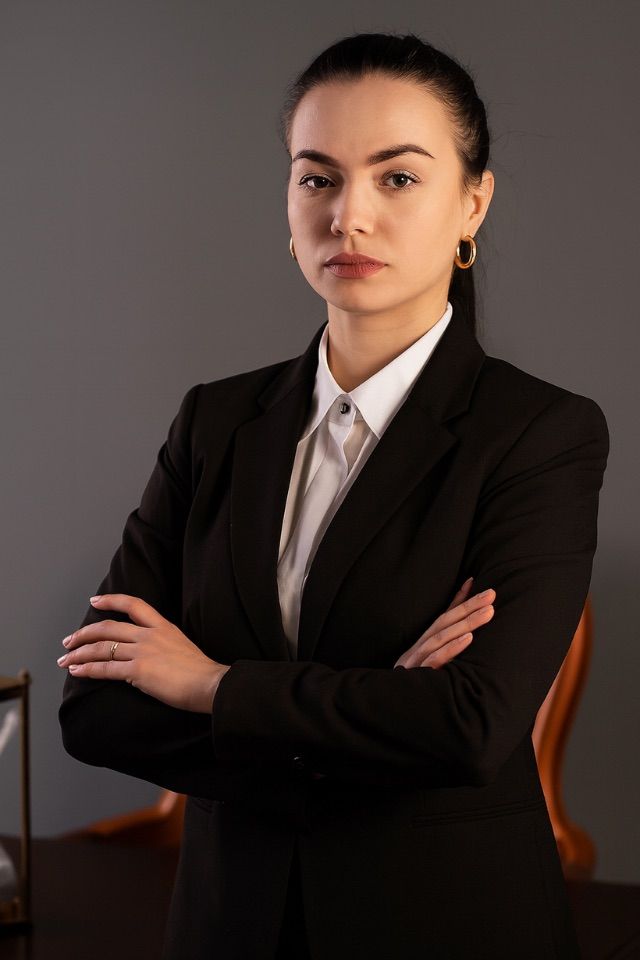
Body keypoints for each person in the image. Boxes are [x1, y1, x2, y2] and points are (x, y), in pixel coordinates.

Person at [57, 32, 609, 960]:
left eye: (397, 178)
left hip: (444, 930)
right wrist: (373, 714)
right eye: (317, 178)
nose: (348, 216)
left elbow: (471, 729)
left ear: (474, 201)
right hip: (227, 927)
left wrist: (208, 684)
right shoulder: (215, 421)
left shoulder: (540, 433)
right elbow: (95, 708)